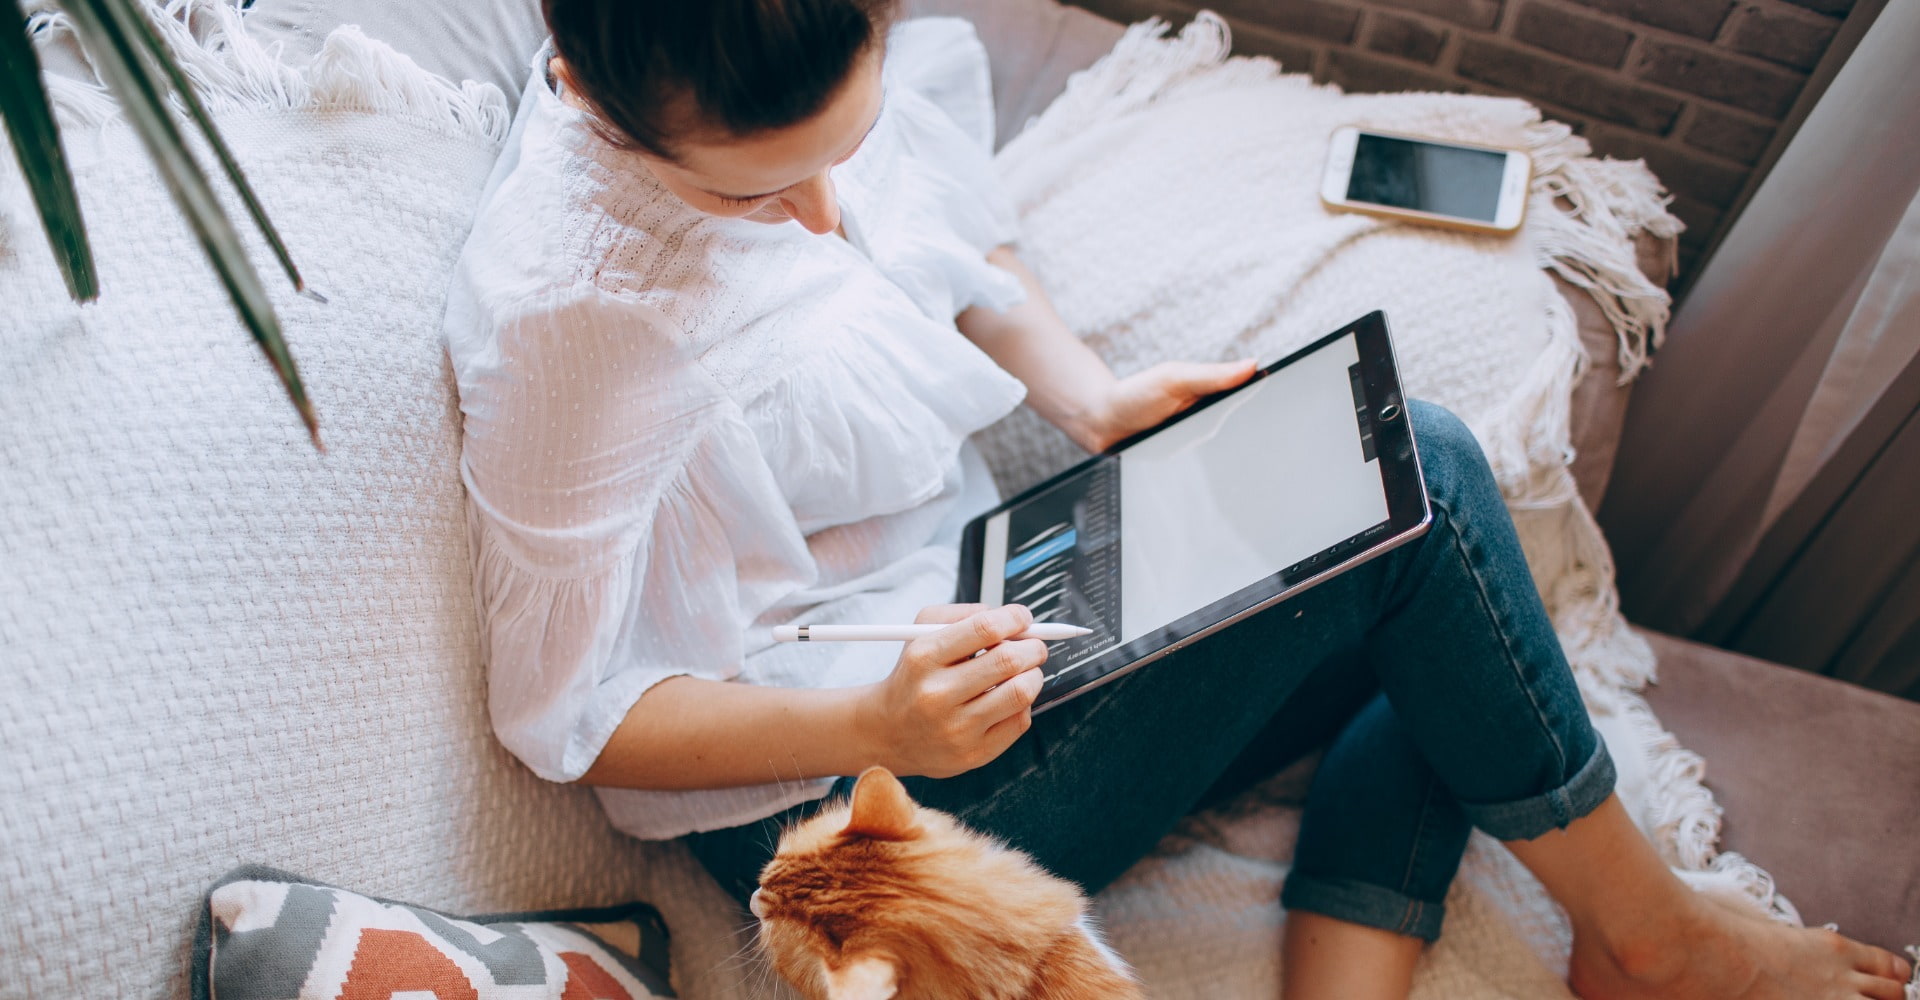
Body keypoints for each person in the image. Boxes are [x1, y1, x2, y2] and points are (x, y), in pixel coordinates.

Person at [443, 2, 1913, 997]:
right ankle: (1645, 931)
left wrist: (1090, 395)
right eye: (758, 199)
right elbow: (568, 717)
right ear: (591, 98)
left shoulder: (782, 56)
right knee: (1433, 486)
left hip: (984, 616)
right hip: (842, 812)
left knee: (1429, 571)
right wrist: (869, 724)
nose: (828, 216)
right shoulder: (575, 321)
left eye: (845, 152)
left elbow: (955, 253)